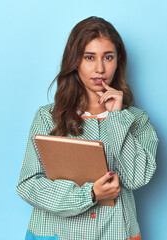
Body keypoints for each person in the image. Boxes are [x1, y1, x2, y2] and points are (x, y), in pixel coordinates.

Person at [16, 16, 159, 240]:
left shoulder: (137, 120)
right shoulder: (47, 117)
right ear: (75, 62)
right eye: (89, 57)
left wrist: (116, 118)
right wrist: (89, 194)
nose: (100, 68)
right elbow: (28, 184)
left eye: (108, 57)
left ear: (118, 61)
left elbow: (136, 178)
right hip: (56, 232)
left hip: (116, 232)